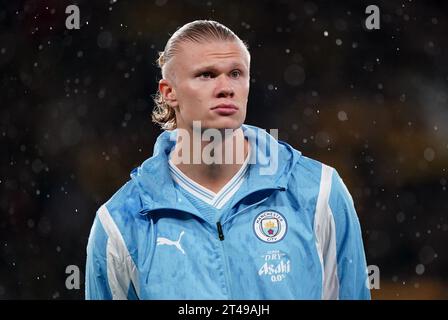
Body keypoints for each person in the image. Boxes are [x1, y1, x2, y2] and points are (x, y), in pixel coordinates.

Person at [85, 20, 371, 300]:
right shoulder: (121, 223)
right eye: (206, 75)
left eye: (236, 73)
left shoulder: (317, 192)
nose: (226, 87)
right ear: (169, 92)